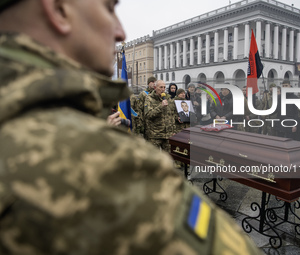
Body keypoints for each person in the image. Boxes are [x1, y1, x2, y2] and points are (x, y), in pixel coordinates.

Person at [0, 1, 262, 254]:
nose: (120, 31)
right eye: (109, 7)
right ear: (59, 9)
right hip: (154, 135)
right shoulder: (98, 157)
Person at [144, 80, 176, 152]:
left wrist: (173, 130)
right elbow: (148, 115)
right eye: (161, 87)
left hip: (167, 135)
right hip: (155, 135)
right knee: (154, 160)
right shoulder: (149, 99)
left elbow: (172, 115)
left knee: (168, 158)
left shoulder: (168, 99)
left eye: (164, 87)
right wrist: (160, 106)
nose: (163, 89)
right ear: (155, 87)